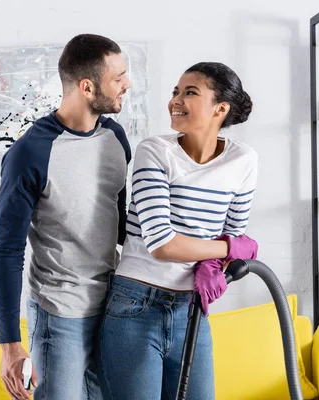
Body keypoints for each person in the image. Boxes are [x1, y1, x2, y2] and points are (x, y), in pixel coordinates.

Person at [97, 62, 259, 399]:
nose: (176, 100)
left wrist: (218, 262)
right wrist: (228, 249)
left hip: (191, 310)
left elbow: (232, 231)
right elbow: (162, 243)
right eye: (175, 91)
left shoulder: (244, 161)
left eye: (190, 92)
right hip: (135, 305)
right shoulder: (155, 151)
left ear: (220, 108)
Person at [0, 33, 131, 400]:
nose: (126, 84)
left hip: (113, 311)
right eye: (118, 78)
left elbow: (121, 228)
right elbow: (7, 250)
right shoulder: (29, 154)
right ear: (87, 87)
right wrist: (9, 344)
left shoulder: (115, 137)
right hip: (59, 316)